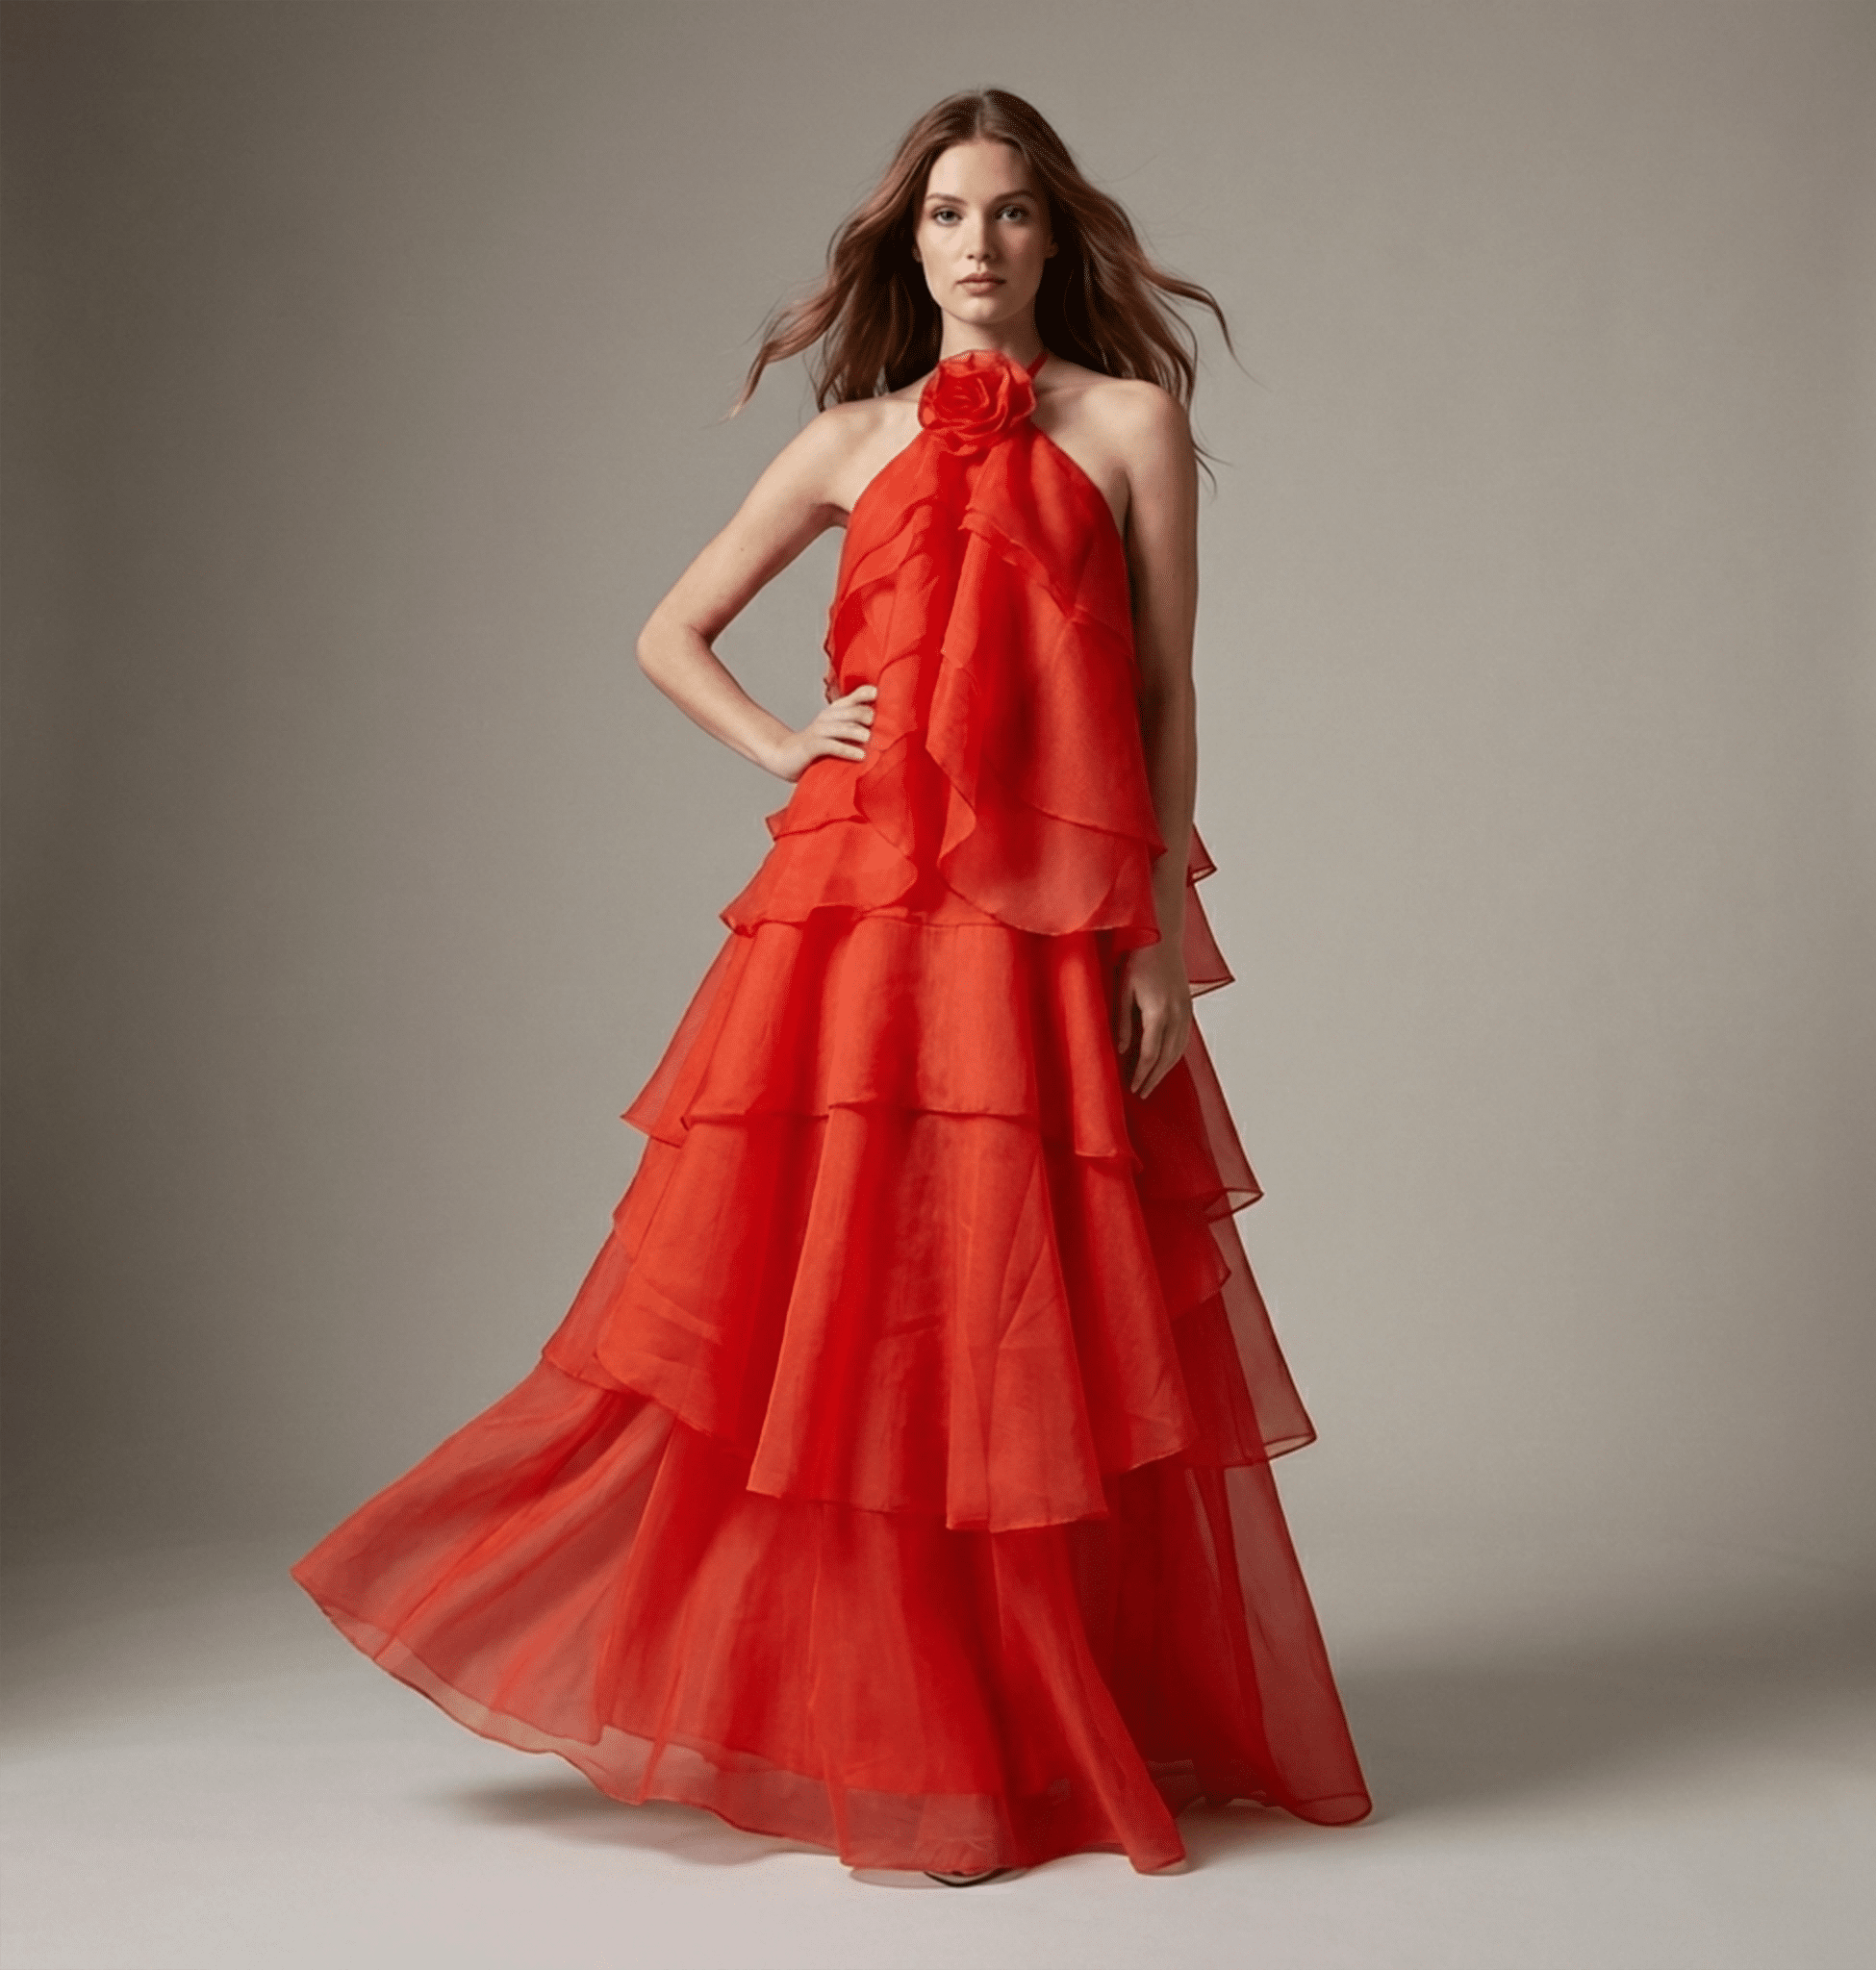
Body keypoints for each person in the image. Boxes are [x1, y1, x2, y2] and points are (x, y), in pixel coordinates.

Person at [292, 86, 1372, 1886]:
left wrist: (1159, 937)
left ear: (1056, 236)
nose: (979, 245)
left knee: (1022, 1298)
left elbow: (1170, 697)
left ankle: (1018, 1709)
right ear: (906, 243)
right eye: (949, 215)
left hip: (1040, 924)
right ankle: (880, 1711)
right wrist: (792, 743)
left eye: (1013, 215)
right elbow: (667, 632)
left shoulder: (1131, 425)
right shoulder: (846, 441)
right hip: (858, 915)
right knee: (847, 1289)